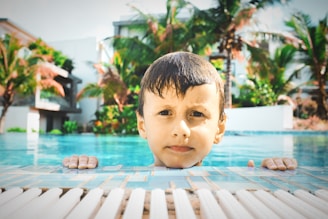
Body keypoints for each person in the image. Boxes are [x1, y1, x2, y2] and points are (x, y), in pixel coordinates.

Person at [63, 51, 297, 170]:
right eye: (165, 113)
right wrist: (83, 167)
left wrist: (270, 172)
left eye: (197, 114)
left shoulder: (234, 178)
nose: (181, 130)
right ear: (142, 124)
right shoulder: (120, 176)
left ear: (219, 128)